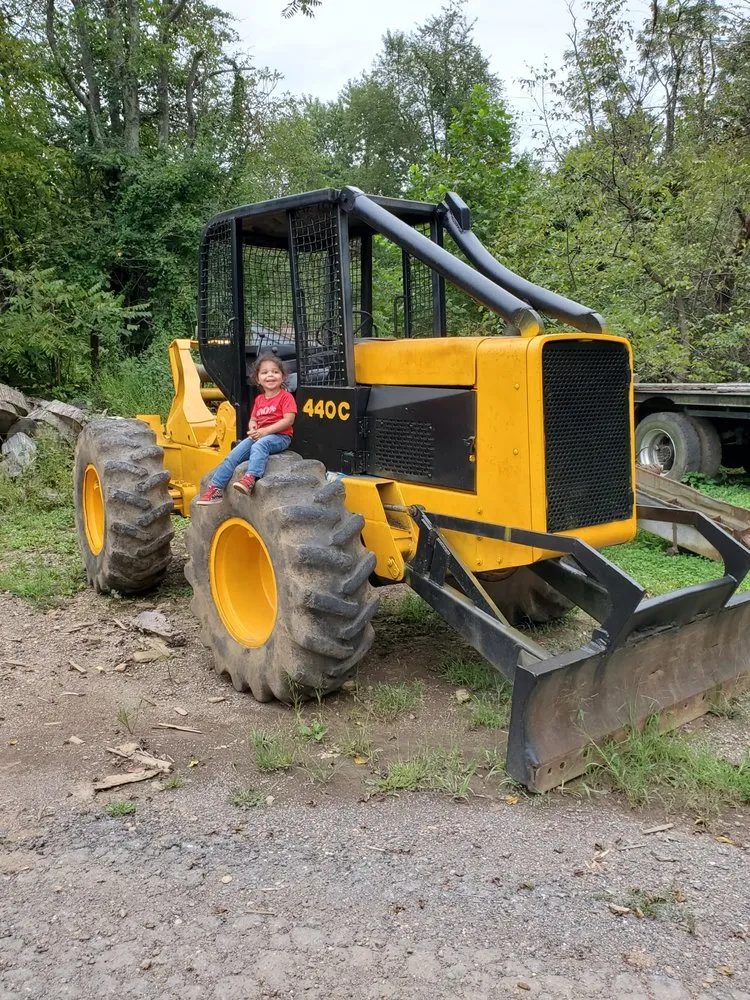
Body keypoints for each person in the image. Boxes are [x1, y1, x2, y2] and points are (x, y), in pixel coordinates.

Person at [195, 353, 297, 504]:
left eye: (275, 372)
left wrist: (264, 432)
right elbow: (254, 419)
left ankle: (251, 478)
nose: (270, 375)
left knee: (260, 445)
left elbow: (288, 420)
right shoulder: (260, 400)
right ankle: (215, 489)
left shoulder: (285, 397)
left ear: (282, 377)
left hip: (280, 437)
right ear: (258, 379)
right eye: (265, 372)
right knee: (233, 456)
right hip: (260, 435)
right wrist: (253, 427)